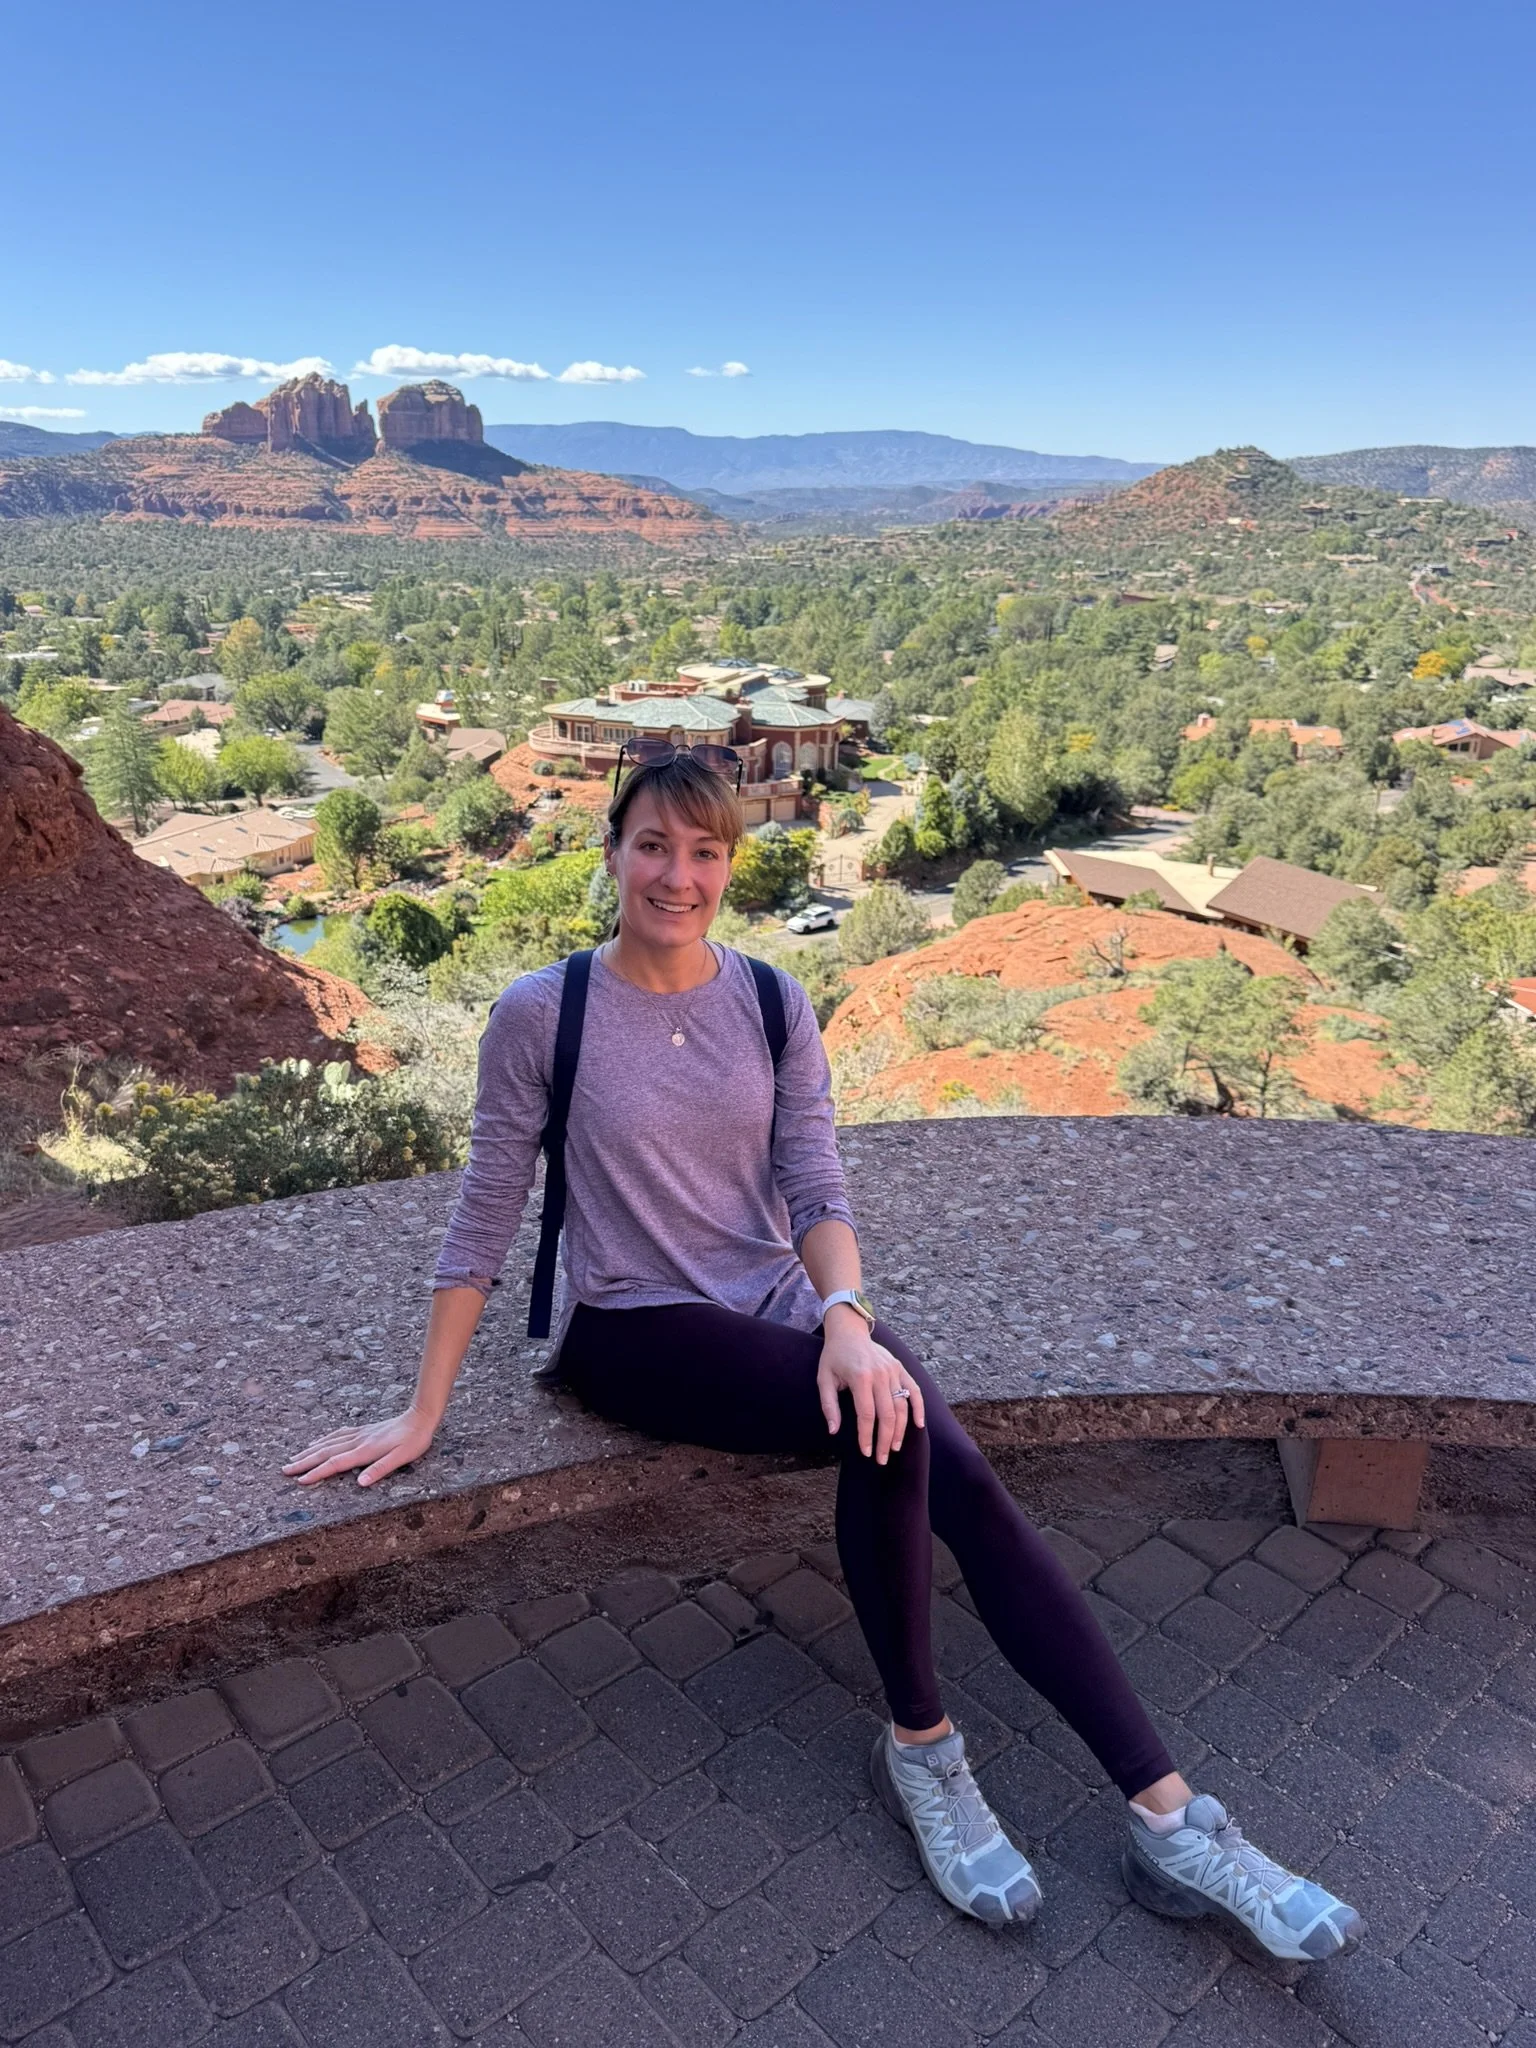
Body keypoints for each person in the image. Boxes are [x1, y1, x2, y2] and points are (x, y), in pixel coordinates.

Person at [285, 746, 1363, 1962]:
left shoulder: (769, 1000)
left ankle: (1169, 1815)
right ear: (611, 851)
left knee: (936, 1447)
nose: (676, 874)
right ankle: (926, 1753)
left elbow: (813, 1179)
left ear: (731, 864)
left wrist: (845, 1315)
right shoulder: (546, 1012)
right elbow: (486, 1206)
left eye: (703, 851)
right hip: (629, 1322)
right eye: (653, 845)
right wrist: (422, 1411)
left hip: (784, 1301)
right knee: (888, 1428)